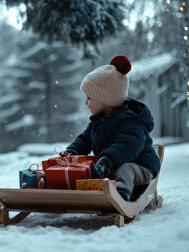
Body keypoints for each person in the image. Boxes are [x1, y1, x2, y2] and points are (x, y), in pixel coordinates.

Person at [63, 55, 161, 201]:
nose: (86, 102)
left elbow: (127, 146)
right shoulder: (97, 122)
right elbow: (84, 139)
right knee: (88, 168)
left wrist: (107, 159)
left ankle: (122, 195)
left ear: (105, 100)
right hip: (111, 168)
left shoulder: (131, 122)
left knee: (125, 168)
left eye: (89, 98)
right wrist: (72, 152)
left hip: (140, 169)